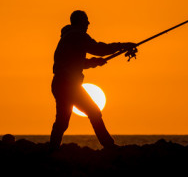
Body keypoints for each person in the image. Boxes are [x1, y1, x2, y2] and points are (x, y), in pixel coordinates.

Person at [50, 10, 135, 150]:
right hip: (67, 85)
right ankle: (109, 146)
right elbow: (99, 49)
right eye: (86, 20)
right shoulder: (77, 35)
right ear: (79, 22)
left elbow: (75, 62)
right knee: (93, 112)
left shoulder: (68, 37)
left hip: (62, 84)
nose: (89, 23)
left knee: (63, 121)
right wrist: (123, 45)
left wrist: (94, 62)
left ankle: (52, 150)